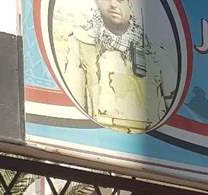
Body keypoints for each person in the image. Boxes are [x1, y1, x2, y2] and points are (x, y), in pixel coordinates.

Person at [59, 0, 176, 133]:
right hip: (99, 136)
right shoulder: (81, 43)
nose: (113, 4)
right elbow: (73, 106)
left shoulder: (154, 51)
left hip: (149, 138)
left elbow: (172, 108)